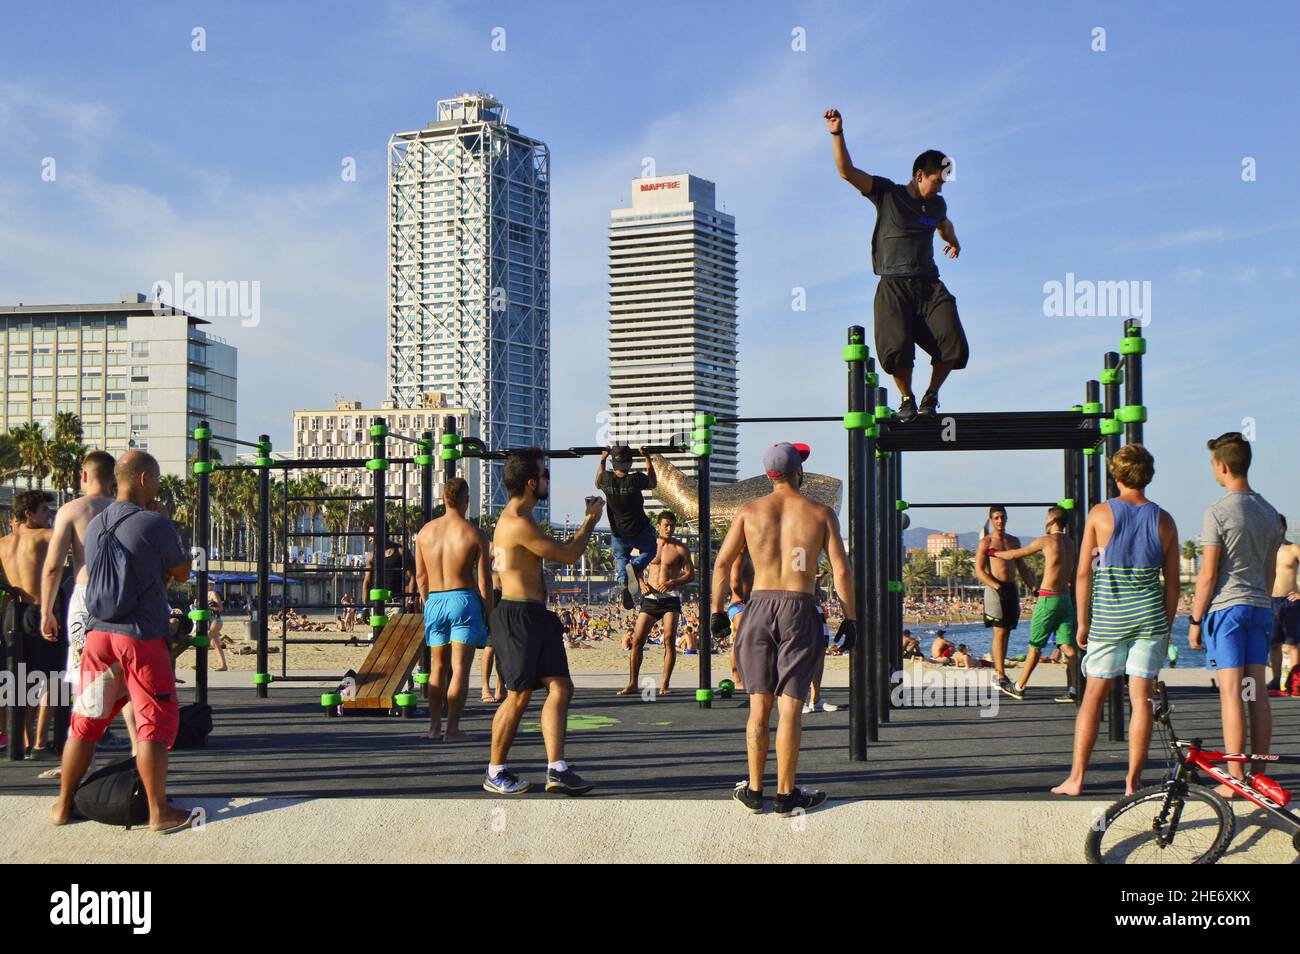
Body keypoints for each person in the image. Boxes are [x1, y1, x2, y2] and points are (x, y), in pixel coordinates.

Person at [51, 450, 194, 832]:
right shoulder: (154, 523)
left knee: (85, 722)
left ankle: (63, 806)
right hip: (140, 637)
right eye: (159, 478)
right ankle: (158, 812)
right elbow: (181, 572)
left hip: (99, 635)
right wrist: (165, 521)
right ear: (145, 479)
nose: (160, 485)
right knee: (153, 724)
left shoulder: (96, 524)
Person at [710, 442, 856, 816]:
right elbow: (841, 570)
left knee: (759, 704)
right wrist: (849, 618)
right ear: (799, 473)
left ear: (769, 475)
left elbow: (723, 563)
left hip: (758, 607)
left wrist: (717, 610)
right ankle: (786, 795)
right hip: (798, 606)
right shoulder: (820, 513)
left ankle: (755, 790)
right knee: (790, 706)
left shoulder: (747, 512)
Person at [824, 107, 968, 422]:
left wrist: (954, 242)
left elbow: (944, 225)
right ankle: (906, 398)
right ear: (919, 175)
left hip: (929, 285)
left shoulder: (937, 204)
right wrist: (837, 133)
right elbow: (847, 171)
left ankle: (930, 396)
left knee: (954, 341)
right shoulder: (887, 193)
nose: (940, 187)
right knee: (896, 350)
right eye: (936, 181)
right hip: (893, 284)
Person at [1053, 444, 1180, 797]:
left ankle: (1076, 779)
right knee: (1141, 698)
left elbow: (1082, 574)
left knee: (1093, 695)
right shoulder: (1165, 520)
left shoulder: (1100, 514)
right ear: (1148, 475)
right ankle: (1133, 782)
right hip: (1150, 619)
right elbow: (1172, 583)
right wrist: (1166, 627)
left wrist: (1082, 621)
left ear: (1117, 475)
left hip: (1110, 619)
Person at [483, 450, 603, 796]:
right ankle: (495, 770)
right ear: (532, 483)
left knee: (561, 687)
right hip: (517, 616)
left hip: (535, 615)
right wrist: (590, 522)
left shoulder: (522, 518)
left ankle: (557, 768)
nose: (549, 480)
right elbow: (567, 555)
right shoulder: (517, 522)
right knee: (517, 697)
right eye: (545, 474)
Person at [1188, 433, 1282, 796]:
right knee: (1255, 691)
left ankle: (1235, 777)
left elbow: (1208, 573)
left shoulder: (1218, 511)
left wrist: (1195, 621)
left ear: (1222, 466)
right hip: (1260, 607)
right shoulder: (1270, 512)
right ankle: (1259, 771)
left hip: (1228, 609)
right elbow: (1270, 572)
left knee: (1231, 694)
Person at [40, 451, 134, 759]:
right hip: (123, 600)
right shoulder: (129, 510)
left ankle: (79, 755)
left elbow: (53, 567)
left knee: (85, 677)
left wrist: (47, 610)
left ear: (83, 475)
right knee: (126, 677)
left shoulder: (72, 510)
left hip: (85, 597)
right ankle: (138, 749)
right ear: (113, 479)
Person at [415, 477, 491, 742]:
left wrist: (428, 603)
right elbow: (484, 582)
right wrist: (490, 614)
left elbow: (421, 578)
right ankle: (452, 729)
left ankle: (434, 727)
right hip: (463, 599)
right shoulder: (474, 534)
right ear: (466, 500)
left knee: (438, 667)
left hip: (435, 599)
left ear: (444, 499)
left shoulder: (424, 533)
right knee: (459, 668)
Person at [987, 506, 1080, 702]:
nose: (1045, 522)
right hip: (1065, 599)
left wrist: (995, 553)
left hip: (1048, 598)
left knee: (1035, 646)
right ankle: (1074, 688)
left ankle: (1019, 687)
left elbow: (1015, 555)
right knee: (1066, 646)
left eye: (1047, 518)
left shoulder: (1046, 540)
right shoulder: (1070, 543)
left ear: (1053, 521)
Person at [1, 491, 58, 758]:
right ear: (29, 514)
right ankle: (39, 743)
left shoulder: (3, 543)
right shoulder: (46, 537)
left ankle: (21, 741)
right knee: (52, 680)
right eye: (45, 510)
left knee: (19, 679)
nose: (49, 515)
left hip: (13, 611)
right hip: (40, 610)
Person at [617, 511, 694, 697]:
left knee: (668, 640)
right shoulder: (647, 546)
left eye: (672, 525)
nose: (669, 528)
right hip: (650, 599)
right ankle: (633, 683)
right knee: (637, 641)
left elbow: (691, 574)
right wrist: (642, 584)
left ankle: (664, 684)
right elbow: (632, 567)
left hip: (670, 599)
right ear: (658, 526)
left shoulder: (680, 548)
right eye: (666, 525)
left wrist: (672, 582)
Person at [975, 506, 1035, 697]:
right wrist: (996, 586)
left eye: (1003, 517)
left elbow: (1022, 567)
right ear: (991, 520)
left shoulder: (1013, 541)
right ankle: (999, 674)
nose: (1000, 521)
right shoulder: (986, 542)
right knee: (999, 631)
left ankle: (1000, 673)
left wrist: (1032, 586)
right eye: (996, 518)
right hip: (995, 588)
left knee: (1007, 630)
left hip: (1011, 587)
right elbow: (979, 570)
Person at [596, 445, 657, 609]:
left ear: (613, 464)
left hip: (618, 532)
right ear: (629, 463)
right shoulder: (635, 479)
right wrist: (647, 458)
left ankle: (624, 582)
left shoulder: (607, 479)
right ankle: (635, 566)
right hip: (639, 529)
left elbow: (597, 482)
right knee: (651, 549)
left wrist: (602, 460)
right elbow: (652, 482)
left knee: (621, 557)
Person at [1268, 513, 1300, 694]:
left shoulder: (1294, 549)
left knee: (1293, 643)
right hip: (1270, 600)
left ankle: (1295, 681)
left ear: (1283, 527)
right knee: (1273, 643)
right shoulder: (1266, 551)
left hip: (1290, 601)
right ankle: (1275, 679)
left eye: (1277, 526)